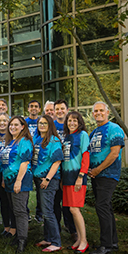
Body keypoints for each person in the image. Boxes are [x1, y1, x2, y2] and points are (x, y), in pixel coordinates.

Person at [88, 101, 125, 254]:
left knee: (101, 206)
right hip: (97, 175)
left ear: (107, 112)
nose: (98, 113)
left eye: (101, 110)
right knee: (106, 208)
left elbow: (114, 153)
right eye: (95, 111)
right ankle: (113, 242)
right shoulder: (94, 132)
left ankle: (105, 245)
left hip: (108, 174)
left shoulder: (115, 129)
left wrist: (98, 169)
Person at [31, 115, 64, 252]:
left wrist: (48, 179)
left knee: (48, 211)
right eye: (40, 123)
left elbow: (57, 161)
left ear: (50, 125)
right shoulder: (37, 139)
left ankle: (56, 242)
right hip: (39, 179)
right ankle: (48, 238)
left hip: (48, 180)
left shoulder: (54, 140)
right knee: (44, 211)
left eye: (45, 123)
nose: (42, 125)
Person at [1, 116, 33, 254]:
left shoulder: (24, 141)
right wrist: (4, 178)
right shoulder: (11, 142)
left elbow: (24, 162)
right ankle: (18, 236)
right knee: (14, 209)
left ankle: (22, 240)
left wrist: (18, 180)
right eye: (11, 125)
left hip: (20, 180)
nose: (12, 127)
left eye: (16, 125)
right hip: (8, 181)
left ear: (23, 127)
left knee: (20, 211)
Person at [61, 111, 90, 254]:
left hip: (77, 176)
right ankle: (78, 239)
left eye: (75, 120)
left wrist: (81, 176)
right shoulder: (67, 137)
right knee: (71, 210)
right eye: (69, 120)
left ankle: (84, 240)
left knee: (74, 209)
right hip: (66, 177)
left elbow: (86, 156)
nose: (72, 123)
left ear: (79, 122)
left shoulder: (83, 135)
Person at [53, 99, 77, 239]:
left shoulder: (71, 126)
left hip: (69, 168)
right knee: (55, 200)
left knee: (68, 201)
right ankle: (55, 228)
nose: (59, 111)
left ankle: (72, 228)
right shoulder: (52, 125)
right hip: (55, 168)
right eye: (57, 109)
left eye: (62, 108)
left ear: (67, 110)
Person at [0, 113, 15, 238]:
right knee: (3, 201)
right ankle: (6, 226)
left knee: (11, 200)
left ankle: (14, 227)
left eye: (5, 121)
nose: (2, 123)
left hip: (9, 172)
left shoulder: (13, 138)